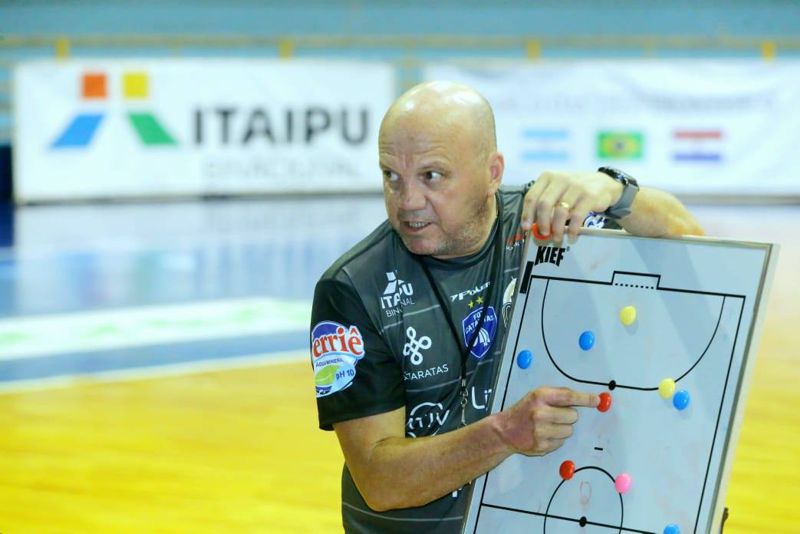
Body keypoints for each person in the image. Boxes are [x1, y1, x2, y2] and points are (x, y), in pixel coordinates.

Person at [310, 81, 704, 533]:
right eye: (391, 176)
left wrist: (614, 190)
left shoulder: (544, 222)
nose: (408, 202)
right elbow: (380, 483)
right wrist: (503, 433)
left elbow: (690, 237)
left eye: (432, 176)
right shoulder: (352, 289)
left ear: (493, 172)